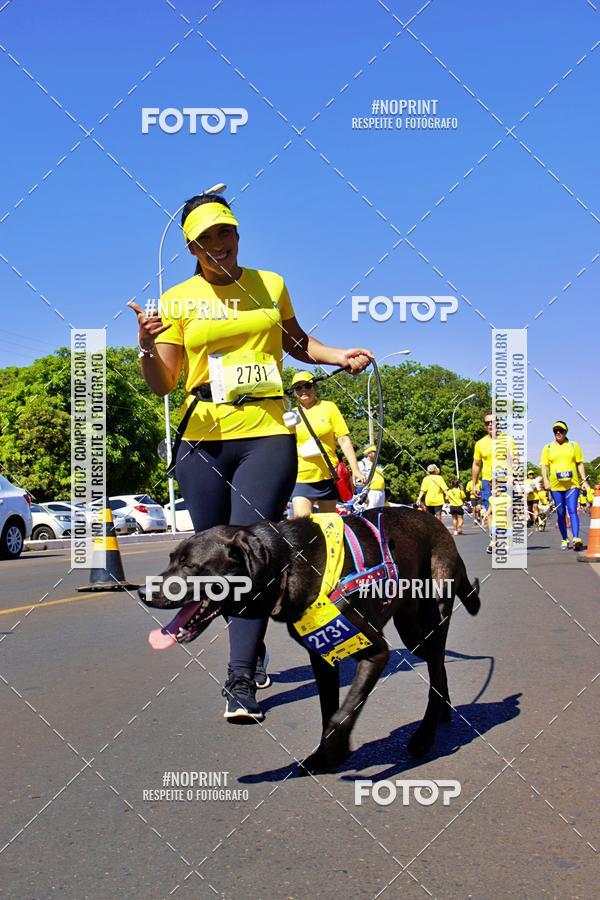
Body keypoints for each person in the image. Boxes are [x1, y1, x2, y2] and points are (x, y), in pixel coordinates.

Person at [129, 192, 371, 722]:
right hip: (202, 439)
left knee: (247, 553)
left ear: (237, 234)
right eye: (206, 238)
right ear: (191, 247)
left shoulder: (270, 284)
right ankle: (251, 642)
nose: (219, 245)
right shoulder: (175, 300)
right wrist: (146, 346)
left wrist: (338, 355)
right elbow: (163, 383)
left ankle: (240, 680)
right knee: (213, 558)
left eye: (226, 233)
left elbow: (297, 341)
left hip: (265, 430)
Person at [289, 372, 364, 517]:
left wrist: (356, 470)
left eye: (308, 386)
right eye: (298, 388)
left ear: (315, 388)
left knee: (328, 525)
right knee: (302, 522)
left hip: (329, 476)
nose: (303, 390)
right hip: (302, 477)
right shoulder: (291, 414)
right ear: (294, 392)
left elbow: (344, 439)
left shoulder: (329, 407)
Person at [540, 421, 588, 551]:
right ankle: (564, 538)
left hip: (572, 485)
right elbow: (544, 466)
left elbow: (580, 463)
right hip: (556, 486)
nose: (558, 433)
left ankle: (576, 538)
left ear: (566, 432)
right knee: (561, 513)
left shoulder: (573, 445)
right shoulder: (548, 448)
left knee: (572, 510)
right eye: (556, 431)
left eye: (561, 430)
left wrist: (584, 480)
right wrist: (545, 480)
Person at [358, 444, 386, 509]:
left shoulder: (378, 465)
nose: (376, 453)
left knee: (380, 512)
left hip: (381, 492)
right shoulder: (362, 464)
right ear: (369, 453)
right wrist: (364, 494)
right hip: (370, 492)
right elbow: (359, 482)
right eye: (374, 451)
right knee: (370, 512)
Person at [487, 484, 511, 554]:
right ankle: (492, 546)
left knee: (506, 537)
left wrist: (507, 509)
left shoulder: (506, 496)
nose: (494, 491)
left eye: (496, 489)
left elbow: (510, 504)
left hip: (506, 520)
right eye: (492, 489)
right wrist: (486, 515)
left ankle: (507, 549)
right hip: (495, 521)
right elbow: (490, 507)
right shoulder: (491, 498)